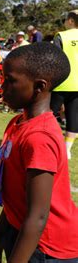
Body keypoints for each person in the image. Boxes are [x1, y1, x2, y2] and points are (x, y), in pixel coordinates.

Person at [0, 43, 78, 262]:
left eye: (10, 80)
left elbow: (38, 216)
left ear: (39, 86)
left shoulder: (39, 138)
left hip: (48, 248)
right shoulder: (18, 123)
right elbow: (15, 195)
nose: (2, 87)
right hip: (21, 232)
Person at [51, 9, 78, 159]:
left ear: (71, 21)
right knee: (73, 115)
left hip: (62, 82)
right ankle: (67, 150)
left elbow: (55, 59)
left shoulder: (62, 36)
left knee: (48, 114)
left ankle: (48, 142)